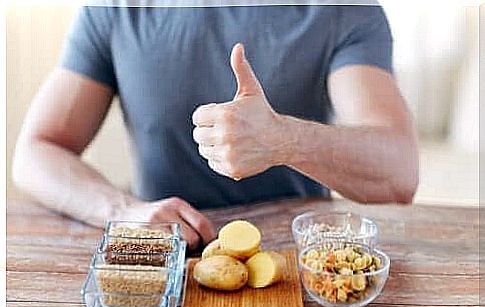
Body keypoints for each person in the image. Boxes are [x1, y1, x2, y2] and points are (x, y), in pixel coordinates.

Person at [12, 3, 419, 250]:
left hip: (301, 268)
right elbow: (36, 151)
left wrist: (283, 139)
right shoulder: (114, 9)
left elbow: (398, 172)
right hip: (168, 260)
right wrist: (124, 212)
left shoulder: (344, 9)